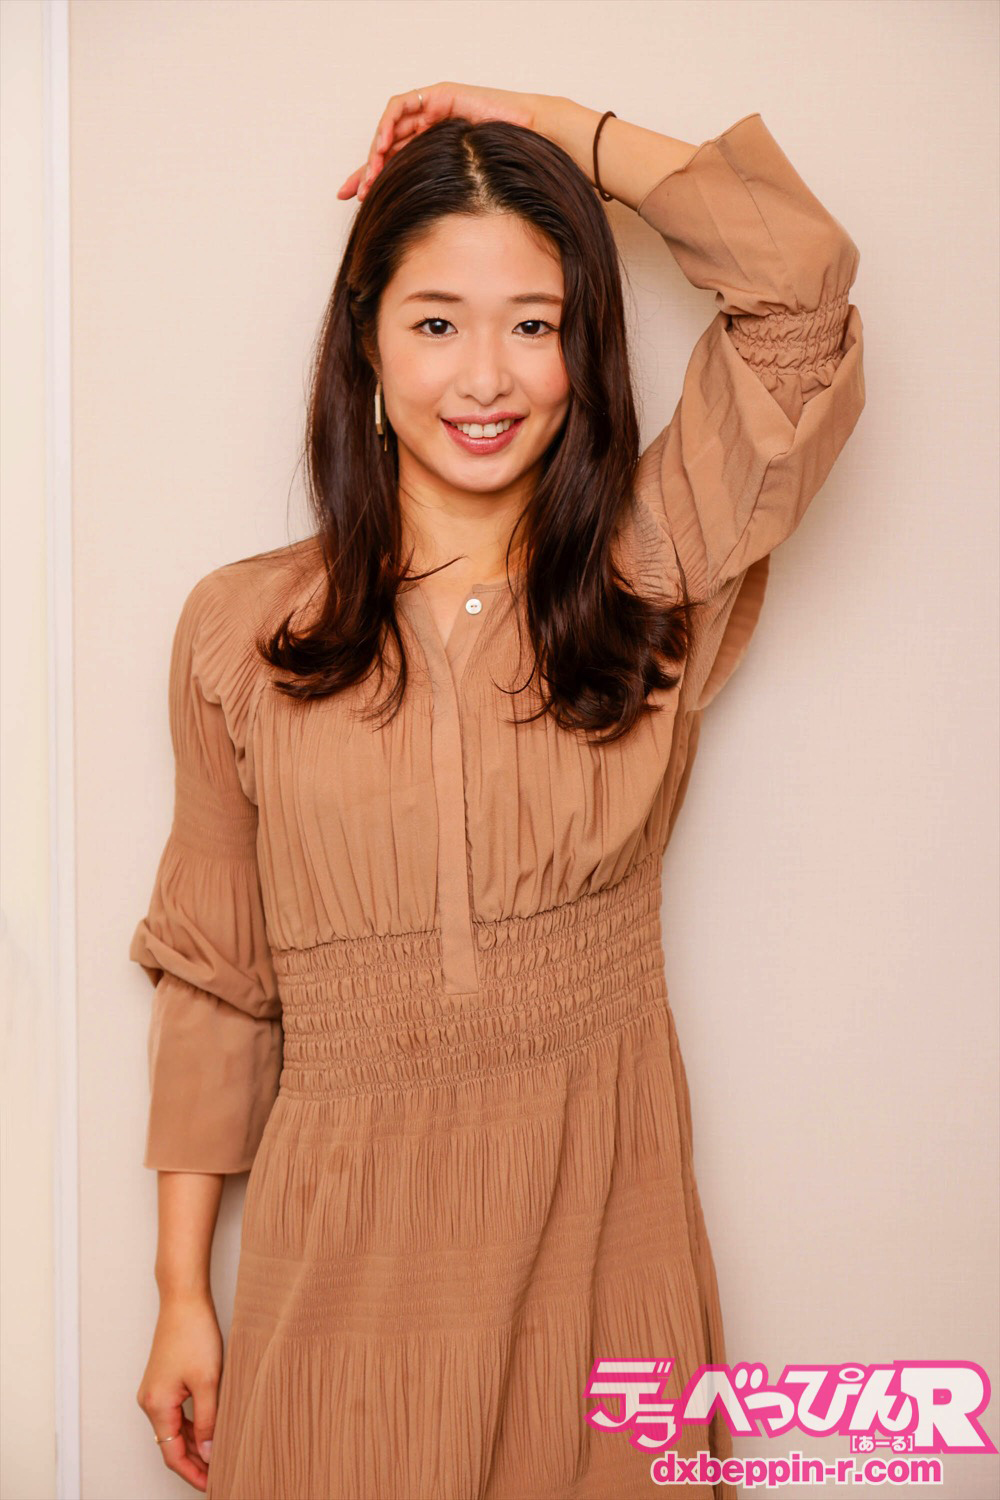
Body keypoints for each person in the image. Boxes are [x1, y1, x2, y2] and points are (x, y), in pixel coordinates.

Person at [132, 82, 865, 1500]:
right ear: (364, 341)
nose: (487, 377)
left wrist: (553, 134)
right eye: (436, 323)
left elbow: (800, 291)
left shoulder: (651, 565)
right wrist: (179, 1295)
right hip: (338, 1263)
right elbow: (217, 975)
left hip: (601, 1236)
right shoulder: (244, 629)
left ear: (586, 350)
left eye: (537, 324)